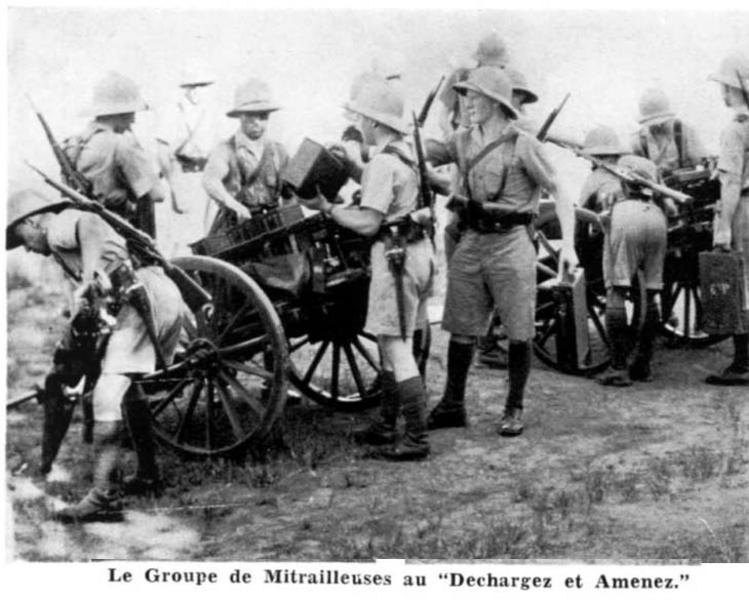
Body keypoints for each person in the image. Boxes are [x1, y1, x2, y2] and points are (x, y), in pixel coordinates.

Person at [6, 190, 185, 523]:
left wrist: (89, 279)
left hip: (137, 300)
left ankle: (104, 498)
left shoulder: (57, 227)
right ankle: (148, 474)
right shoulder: (62, 244)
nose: (28, 249)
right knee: (129, 389)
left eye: (23, 239)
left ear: (33, 222)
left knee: (105, 398)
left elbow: (89, 223)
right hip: (160, 293)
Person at [426, 67, 578, 437]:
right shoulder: (462, 140)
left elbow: (560, 191)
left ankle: (514, 407)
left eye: (474, 97)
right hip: (472, 240)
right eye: (465, 97)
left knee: (519, 329)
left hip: (511, 242)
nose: (466, 104)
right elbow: (426, 159)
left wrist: (570, 246)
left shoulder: (523, 144)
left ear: (495, 102)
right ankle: (452, 404)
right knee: (461, 326)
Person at [300, 80, 435, 461]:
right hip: (421, 254)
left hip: (395, 258)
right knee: (398, 340)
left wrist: (328, 209)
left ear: (374, 123)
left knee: (395, 345)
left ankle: (417, 439)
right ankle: (386, 425)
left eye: (362, 117)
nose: (359, 123)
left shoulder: (381, 163)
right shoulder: (407, 156)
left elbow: (368, 223)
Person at [476, 66, 540, 369]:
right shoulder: (502, 128)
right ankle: (487, 343)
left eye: (521, 97)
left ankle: (493, 336)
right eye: (516, 96)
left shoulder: (516, 128)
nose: (519, 103)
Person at [594, 155, 673, 386]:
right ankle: (643, 365)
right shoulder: (658, 207)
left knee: (616, 291)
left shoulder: (618, 202)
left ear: (624, 181)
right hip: (657, 221)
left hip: (626, 219)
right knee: (651, 293)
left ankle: (618, 368)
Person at [64, 71, 164, 237]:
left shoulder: (76, 142)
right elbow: (157, 195)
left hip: (82, 228)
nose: (133, 120)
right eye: (131, 113)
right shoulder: (121, 144)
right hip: (116, 231)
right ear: (119, 112)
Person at [704, 52, 749, 386]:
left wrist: (722, 229)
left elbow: (731, 183)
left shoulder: (735, 129)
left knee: (740, 283)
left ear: (732, 89)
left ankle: (743, 364)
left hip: (744, 211)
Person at [202, 78, 289, 235]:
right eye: (250, 116)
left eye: (262, 116)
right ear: (240, 116)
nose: (257, 122)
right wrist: (234, 205)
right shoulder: (225, 149)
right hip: (236, 228)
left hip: (272, 227)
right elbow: (210, 180)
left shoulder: (278, 151)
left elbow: (290, 195)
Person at [156, 63, 218, 248]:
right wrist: (176, 189)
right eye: (194, 86)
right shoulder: (174, 111)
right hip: (183, 176)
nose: (198, 90)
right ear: (186, 88)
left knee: (208, 234)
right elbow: (162, 153)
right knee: (183, 238)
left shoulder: (208, 111)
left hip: (205, 176)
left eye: (203, 86)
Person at [437, 32, 509, 138]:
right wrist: (453, 137)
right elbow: (443, 117)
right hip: (460, 135)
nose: (494, 71)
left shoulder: (502, 85)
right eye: (489, 65)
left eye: (498, 67)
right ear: (480, 61)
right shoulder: (460, 76)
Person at [631, 88, 707, 176]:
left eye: (662, 123)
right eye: (652, 124)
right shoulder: (637, 142)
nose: (658, 125)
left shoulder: (686, 131)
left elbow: (700, 165)